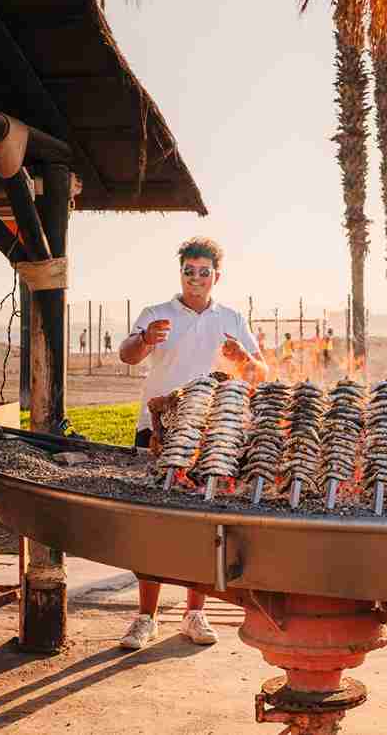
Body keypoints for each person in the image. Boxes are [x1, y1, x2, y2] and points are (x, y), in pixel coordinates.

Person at [117, 237, 269, 649]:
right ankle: (145, 618)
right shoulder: (156, 314)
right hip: (158, 430)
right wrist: (145, 339)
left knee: (202, 524)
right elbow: (127, 355)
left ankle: (194, 614)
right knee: (149, 521)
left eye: (204, 272)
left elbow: (260, 373)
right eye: (189, 271)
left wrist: (243, 359)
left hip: (213, 435)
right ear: (181, 273)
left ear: (217, 276)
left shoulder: (232, 318)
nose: (196, 278)